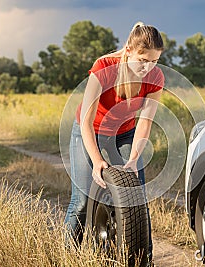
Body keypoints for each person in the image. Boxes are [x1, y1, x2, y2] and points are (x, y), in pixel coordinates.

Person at [64, 21, 164, 263]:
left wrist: (132, 160)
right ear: (129, 50)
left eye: (154, 61)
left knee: (136, 197)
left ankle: (144, 260)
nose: (147, 67)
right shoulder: (104, 68)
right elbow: (86, 122)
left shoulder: (156, 77)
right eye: (143, 60)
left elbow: (145, 123)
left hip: (125, 133)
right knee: (82, 201)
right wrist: (98, 160)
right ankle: (67, 255)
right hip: (89, 131)